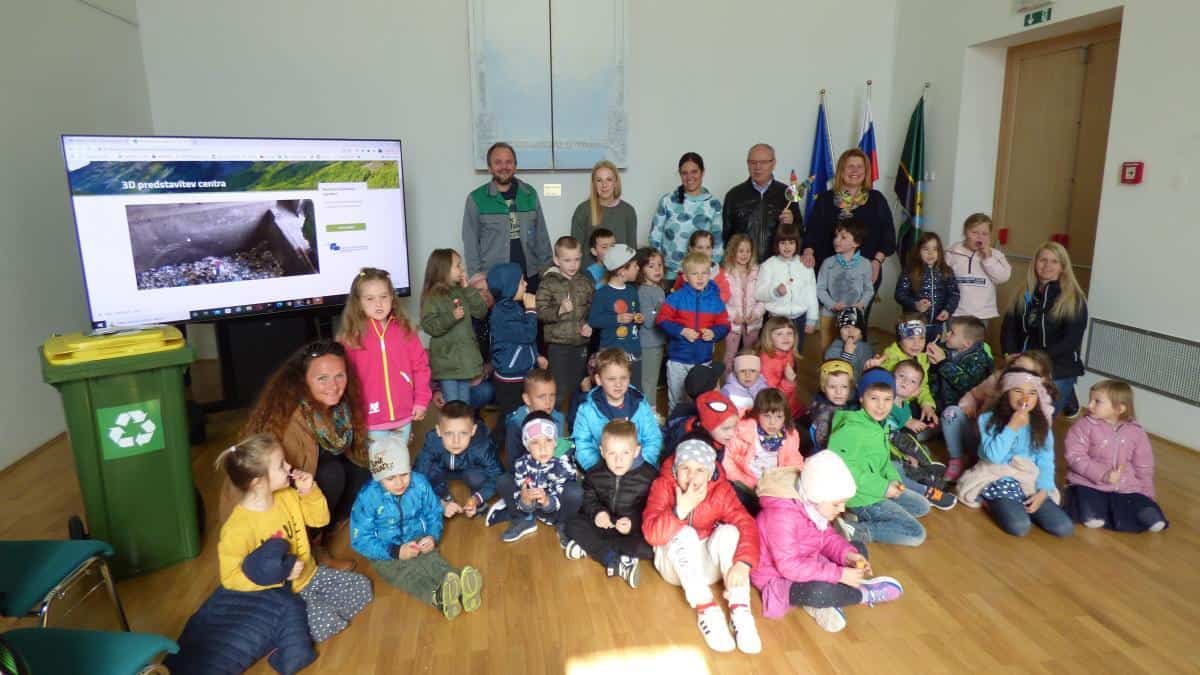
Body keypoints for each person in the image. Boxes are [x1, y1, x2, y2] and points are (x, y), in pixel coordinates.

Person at [222, 340, 371, 571]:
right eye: (322, 378)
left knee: (363, 471)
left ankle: (327, 528)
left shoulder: (337, 407)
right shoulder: (291, 420)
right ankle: (313, 546)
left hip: (304, 486)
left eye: (339, 376)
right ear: (303, 381)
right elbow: (274, 491)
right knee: (333, 474)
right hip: (275, 503)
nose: (333, 385)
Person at [217, 434, 372, 643]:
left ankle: (298, 625)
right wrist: (281, 574)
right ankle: (286, 631)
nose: (289, 466)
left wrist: (309, 492)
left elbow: (320, 520)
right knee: (327, 621)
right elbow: (230, 578)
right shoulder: (237, 528)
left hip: (311, 575)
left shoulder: (287, 496)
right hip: (280, 594)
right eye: (281, 465)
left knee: (363, 587)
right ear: (258, 483)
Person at [751, 455, 904, 633]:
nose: (842, 509)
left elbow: (827, 538)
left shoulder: (812, 505)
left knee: (857, 548)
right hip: (778, 578)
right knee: (818, 591)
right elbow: (789, 567)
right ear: (817, 497)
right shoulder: (781, 517)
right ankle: (863, 594)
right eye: (837, 504)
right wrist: (839, 574)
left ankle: (833, 597)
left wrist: (847, 555)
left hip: (808, 562)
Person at [642, 438, 762, 654]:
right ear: (676, 470)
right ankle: (707, 611)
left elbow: (747, 524)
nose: (691, 476)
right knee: (685, 533)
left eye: (700, 470)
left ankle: (740, 609)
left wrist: (743, 563)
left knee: (729, 532)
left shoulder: (721, 490)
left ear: (709, 474)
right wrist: (680, 510)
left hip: (707, 565)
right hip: (675, 566)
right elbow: (651, 534)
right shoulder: (662, 485)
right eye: (685, 468)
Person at [350, 435, 483, 620]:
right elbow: (360, 539)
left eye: (404, 474)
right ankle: (438, 597)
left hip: (419, 539)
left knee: (433, 562)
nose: (399, 483)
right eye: (390, 478)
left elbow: (433, 512)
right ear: (378, 477)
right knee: (407, 575)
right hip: (386, 553)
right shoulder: (367, 498)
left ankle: (462, 584)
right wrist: (395, 551)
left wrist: (432, 536)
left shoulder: (419, 483)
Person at [956, 368, 1073, 538]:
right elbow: (994, 456)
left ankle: (1019, 505)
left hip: (1028, 479)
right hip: (998, 477)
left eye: (1032, 393)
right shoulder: (988, 419)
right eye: (1018, 391)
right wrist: (1013, 426)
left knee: (1063, 527)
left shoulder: (1041, 424)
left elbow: (1046, 460)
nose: (1025, 398)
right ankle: (991, 500)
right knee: (1020, 526)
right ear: (1006, 393)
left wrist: (1043, 490)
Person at [828, 368, 930, 546]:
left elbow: (883, 461)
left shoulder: (877, 424)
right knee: (916, 533)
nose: (881, 406)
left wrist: (894, 481)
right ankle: (854, 530)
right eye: (874, 398)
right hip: (860, 496)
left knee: (922, 506)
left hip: (877, 488)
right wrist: (883, 488)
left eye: (887, 399)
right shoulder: (852, 428)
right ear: (861, 398)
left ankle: (871, 515)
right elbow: (843, 470)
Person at [340, 268, 431, 452]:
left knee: (400, 460)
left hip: (403, 414)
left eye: (384, 296)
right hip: (371, 418)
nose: (378, 304)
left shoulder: (405, 330)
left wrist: (421, 400)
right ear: (358, 302)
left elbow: (420, 367)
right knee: (379, 465)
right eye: (370, 299)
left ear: (392, 298)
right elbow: (346, 379)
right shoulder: (351, 337)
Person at [802, 148, 895, 319]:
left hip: (865, 271)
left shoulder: (877, 200)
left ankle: (857, 347)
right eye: (850, 166)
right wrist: (808, 252)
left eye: (860, 167)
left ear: (866, 171)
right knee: (829, 322)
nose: (855, 171)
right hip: (830, 272)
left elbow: (888, 237)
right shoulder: (825, 199)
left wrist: (877, 262)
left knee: (857, 323)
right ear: (841, 170)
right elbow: (812, 232)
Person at [563, 420, 658, 587]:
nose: (618, 460)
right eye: (612, 453)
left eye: (625, 453)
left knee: (650, 548)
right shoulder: (595, 473)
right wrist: (598, 512)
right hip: (604, 524)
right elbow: (588, 498)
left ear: (636, 451)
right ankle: (614, 559)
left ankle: (593, 548)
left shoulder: (649, 476)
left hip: (631, 530)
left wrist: (632, 523)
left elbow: (652, 510)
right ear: (602, 451)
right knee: (572, 524)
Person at [1064, 380, 1167, 533]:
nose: (1090, 405)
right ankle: (1092, 511)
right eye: (1090, 400)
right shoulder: (1083, 426)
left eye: (1097, 401)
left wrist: (1147, 493)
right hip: (1089, 483)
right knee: (1087, 503)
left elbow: (1144, 465)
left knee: (1143, 505)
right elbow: (1075, 457)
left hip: (1124, 486)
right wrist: (1102, 474)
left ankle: (1146, 512)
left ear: (1119, 408)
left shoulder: (1136, 431)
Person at [1001, 241, 1088, 417]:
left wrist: (1039, 361)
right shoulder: (1023, 293)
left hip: (1058, 368)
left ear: (1063, 267)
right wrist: (1009, 353)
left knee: (1040, 420)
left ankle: (1067, 392)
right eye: (1043, 260)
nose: (1047, 265)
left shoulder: (1073, 299)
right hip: (1024, 364)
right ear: (1035, 263)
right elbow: (1009, 327)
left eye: (1054, 261)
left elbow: (1070, 340)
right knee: (1016, 414)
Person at [940, 351, 1053, 481]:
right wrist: (968, 405)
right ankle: (957, 459)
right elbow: (974, 394)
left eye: (1024, 371)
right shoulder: (996, 379)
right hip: (979, 436)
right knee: (951, 412)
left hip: (1002, 455)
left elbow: (1041, 446)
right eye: (1015, 367)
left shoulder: (1042, 405)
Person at [462, 141, 552, 289]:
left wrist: (548, 272)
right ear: (490, 167)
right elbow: (471, 244)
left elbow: (542, 237)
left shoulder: (530, 194)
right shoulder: (476, 199)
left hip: (530, 278)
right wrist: (477, 280)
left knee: (531, 312)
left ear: (515, 165)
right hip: (493, 280)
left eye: (508, 162)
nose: (504, 167)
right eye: (498, 162)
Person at [485, 412, 582, 543]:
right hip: (532, 507)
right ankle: (524, 520)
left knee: (575, 492)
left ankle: (563, 524)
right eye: (535, 442)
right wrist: (525, 502)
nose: (543, 448)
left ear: (555, 443)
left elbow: (560, 496)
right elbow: (521, 494)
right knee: (504, 481)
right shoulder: (521, 464)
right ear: (527, 445)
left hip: (554, 508)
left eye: (548, 440)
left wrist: (547, 501)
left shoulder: (562, 466)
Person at [658, 251, 731, 412]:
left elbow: (725, 325)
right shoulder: (676, 298)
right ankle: (675, 432)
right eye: (695, 273)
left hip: (703, 360)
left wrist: (714, 333)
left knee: (701, 401)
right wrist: (682, 331)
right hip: (678, 360)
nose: (700, 277)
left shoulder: (716, 300)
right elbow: (662, 320)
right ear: (685, 277)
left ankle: (696, 432)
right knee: (677, 400)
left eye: (704, 273)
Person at [572, 347, 663, 471]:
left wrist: (640, 465)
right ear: (599, 379)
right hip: (602, 470)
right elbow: (582, 445)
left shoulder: (640, 404)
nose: (618, 384)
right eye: (611, 379)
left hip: (637, 468)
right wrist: (598, 469)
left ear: (629, 377)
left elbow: (653, 439)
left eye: (623, 378)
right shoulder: (586, 410)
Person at [413, 401, 504, 520]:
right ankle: (444, 497)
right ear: (439, 431)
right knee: (427, 473)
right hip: (444, 468)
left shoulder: (481, 446)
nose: (456, 441)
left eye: (463, 433)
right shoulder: (433, 440)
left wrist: (478, 498)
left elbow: (498, 475)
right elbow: (418, 474)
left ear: (473, 430)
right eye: (449, 433)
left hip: (470, 468)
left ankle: (479, 505)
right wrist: (439, 503)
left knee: (477, 477)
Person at [421, 249, 488, 405]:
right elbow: (429, 326)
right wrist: (451, 317)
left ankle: (462, 428)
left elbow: (481, 311)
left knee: (463, 404)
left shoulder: (462, 291)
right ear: (444, 269)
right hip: (447, 364)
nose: (462, 269)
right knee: (452, 405)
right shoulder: (432, 296)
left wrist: (467, 288)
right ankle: (451, 429)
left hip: (464, 363)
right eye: (458, 266)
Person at [721, 389, 804, 514]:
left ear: (785, 417)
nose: (773, 422)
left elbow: (794, 463)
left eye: (779, 417)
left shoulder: (790, 436)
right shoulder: (744, 431)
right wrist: (749, 483)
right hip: (747, 483)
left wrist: (795, 483)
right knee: (738, 499)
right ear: (757, 414)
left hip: (774, 484)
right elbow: (726, 460)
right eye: (767, 416)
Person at [487, 262, 544, 443]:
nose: (526, 285)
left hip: (521, 374)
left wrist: (537, 356)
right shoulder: (501, 313)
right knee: (509, 421)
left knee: (520, 418)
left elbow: (527, 342)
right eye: (521, 282)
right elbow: (527, 334)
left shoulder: (513, 307)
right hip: (509, 380)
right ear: (509, 286)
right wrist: (532, 311)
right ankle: (493, 454)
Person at [537, 235, 594, 411]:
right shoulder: (548, 283)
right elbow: (539, 312)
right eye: (567, 260)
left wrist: (589, 325)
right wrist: (559, 311)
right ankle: (556, 430)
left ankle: (577, 431)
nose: (573, 264)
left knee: (580, 387)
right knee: (560, 391)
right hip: (558, 345)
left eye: (577, 259)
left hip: (580, 344)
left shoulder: (585, 282)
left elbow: (592, 309)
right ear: (556, 260)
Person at [722, 143, 803, 263]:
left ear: (773, 163)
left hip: (776, 267)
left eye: (763, 162)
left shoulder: (788, 194)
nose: (757, 167)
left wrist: (791, 224)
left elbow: (800, 234)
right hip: (744, 268)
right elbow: (726, 237)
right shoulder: (734, 196)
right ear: (747, 164)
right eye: (753, 162)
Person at [649, 152, 724, 278]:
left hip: (701, 277)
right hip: (670, 274)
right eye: (684, 173)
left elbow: (717, 243)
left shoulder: (713, 204)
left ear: (702, 172)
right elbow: (655, 238)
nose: (689, 177)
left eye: (694, 171)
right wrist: (659, 268)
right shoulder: (668, 201)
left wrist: (710, 273)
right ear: (679, 174)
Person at [755, 223, 818, 351]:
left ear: (797, 244)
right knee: (774, 354)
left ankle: (792, 371)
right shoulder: (768, 265)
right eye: (783, 243)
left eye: (791, 242)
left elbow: (811, 293)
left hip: (799, 319)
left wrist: (812, 319)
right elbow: (758, 293)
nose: (787, 246)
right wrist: (775, 292)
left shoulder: (804, 265)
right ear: (777, 244)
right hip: (776, 319)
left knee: (795, 353)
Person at [587, 243, 644, 384]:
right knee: (613, 389)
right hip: (611, 354)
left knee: (635, 389)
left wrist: (639, 318)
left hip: (634, 351)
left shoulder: (632, 291)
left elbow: (636, 313)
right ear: (622, 271)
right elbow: (594, 320)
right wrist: (617, 318)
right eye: (635, 265)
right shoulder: (602, 294)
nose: (638, 268)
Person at [816, 220, 875, 351]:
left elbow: (869, 290)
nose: (837, 240)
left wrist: (861, 304)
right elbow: (820, 288)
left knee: (852, 347)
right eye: (836, 236)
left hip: (854, 317)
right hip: (829, 315)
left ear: (856, 243)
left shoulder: (865, 264)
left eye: (843, 237)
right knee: (827, 347)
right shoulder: (828, 263)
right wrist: (832, 304)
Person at [947, 213, 1011, 322]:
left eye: (985, 234)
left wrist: (988, 258)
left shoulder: (995, 255)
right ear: (965, 232)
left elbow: (1002, 277)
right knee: (954, 338)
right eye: (974, 232)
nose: (979, 237)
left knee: (977, 339)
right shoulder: (951, 253)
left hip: (982, 313)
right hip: (956, 311)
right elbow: (943, 277)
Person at [894, 232, 959, 340]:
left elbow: (954, 294)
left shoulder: (946, 271)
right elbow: (899, 294)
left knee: (931, 352)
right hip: (914, 323)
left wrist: (947, 310)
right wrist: (915, 305)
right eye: (926, 249)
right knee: (913, 351)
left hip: (936, 325)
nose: (931, 253)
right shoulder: (910, 271)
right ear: (918, 251)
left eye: (935, 249)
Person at [873, 317, 938, 425]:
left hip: (909, 400)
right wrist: (905, 418)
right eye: (910, 338)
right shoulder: (890, 357)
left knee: (931, 411)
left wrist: (927, 404)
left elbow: (922, 386)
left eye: (921, 338)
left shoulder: (922, 358)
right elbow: (881, 390)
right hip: (892, 402)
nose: (916, 344)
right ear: (899, 339)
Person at [571, 159, 637, 264]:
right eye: (599, 180)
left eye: (609, 179)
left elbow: (632, 252)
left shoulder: (628, 211)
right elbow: (574, 253)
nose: (604, 185)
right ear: (594, 184)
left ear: (616, 182)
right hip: (589, 277)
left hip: (620, 277)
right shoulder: (583, 210)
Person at [928, 316, 993, 414]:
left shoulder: (978, 359)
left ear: (966, 343)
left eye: (952, 333)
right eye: (949, 331)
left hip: (960, 408)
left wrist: (942, 362)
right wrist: (933, 363)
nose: (947, 334)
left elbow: (967, 384)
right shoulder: (945, 348)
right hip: (940, 402)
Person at [501, 369, 569, 463]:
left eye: (552, 395)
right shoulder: (516, 423)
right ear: (527, 399)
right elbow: (514, 458)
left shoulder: (558, 419)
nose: (548, 401)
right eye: (541, 396)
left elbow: (558, 452)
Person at [721, 234, 767, 371]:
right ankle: (729, 386)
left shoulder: (758, 271)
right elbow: (720, 301)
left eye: (748, 251)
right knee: (730, 355)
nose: (744, 254)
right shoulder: (725, 273)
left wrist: (756, 313)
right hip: (732, 323)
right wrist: (733, 315)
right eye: (741, 251)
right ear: (733, 251)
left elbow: (764, 298)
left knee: (750, 355)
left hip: (752, 322)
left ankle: (748, 386)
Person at [636, 247, 668, 412]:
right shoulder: (644, 291)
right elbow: (649, 320)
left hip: (657, 342)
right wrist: (666, 310)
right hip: (648, 343)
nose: (657, 269)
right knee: (649, 381)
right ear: (641, 269)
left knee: (652, 380)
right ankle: (650, 414)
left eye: (660, 265)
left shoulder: (658, 289)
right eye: (651, 266)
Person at [804, 359, 857, 454]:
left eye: (844, 387)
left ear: (850, 388)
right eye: (832, 387)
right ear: (824, 388)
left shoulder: (849, 405)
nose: (838, 392)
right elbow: (824, 445)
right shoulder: (824, 415)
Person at [756, 316, 804, 417]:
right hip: (774, 409)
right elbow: (771, 397)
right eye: (779, 334)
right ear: (769, 337)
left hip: (789, 402)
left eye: (789, 333)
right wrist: (788, 382)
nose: (786, 338)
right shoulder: (766, 363)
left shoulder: (787, 352)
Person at [670, 230, 731, 302]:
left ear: (712, 250)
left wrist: (708, 303)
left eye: (708, 247)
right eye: (700, 247)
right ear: (691, 249)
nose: (704, 252)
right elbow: (676, 296)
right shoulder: (684, 273)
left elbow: (725, 294)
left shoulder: (720, 273)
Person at [823, 307, 872, 382]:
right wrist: (847, 354)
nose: (851, 331)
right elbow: (835, 377)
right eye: (846, 327)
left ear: (861, 331)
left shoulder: (866, 347)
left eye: (856, 327)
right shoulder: (832, 351)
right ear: (839, 330)